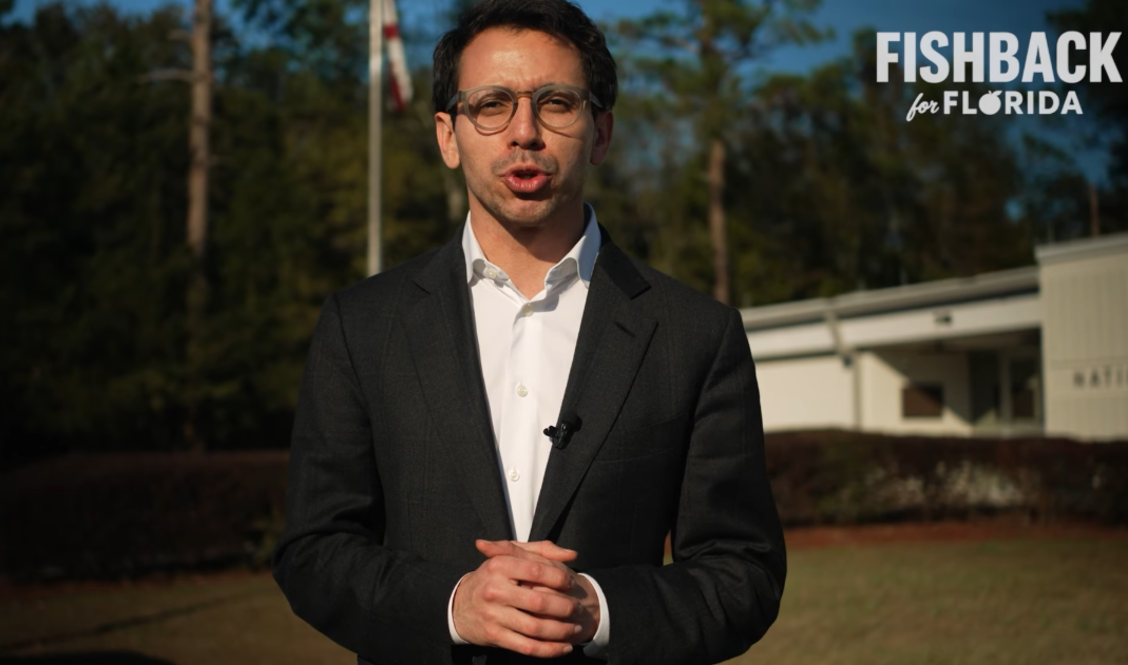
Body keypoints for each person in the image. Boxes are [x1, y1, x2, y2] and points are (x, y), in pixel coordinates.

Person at [272, 1, 786, 663]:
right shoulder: (362, 324)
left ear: (600, 132)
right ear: (448, 135)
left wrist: (598, 608)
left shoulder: (694, 333)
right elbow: (313, 550)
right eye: (491, 103)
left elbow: (741, 572)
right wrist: (454, 603)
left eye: (556, 103)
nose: (524, 132)